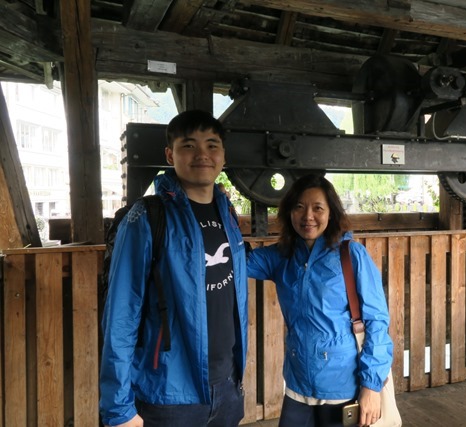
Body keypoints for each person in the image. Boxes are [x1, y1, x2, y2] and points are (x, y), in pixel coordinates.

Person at [99, 110, 248, 427]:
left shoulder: (228, 212)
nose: (202, 155)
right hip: (169, 394)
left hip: (227, 386)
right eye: (189, 145)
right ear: (170, 154)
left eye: (211, 144)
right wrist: (119, 409)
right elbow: (122, 313)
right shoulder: (147, 216)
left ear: (223, 154)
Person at [246, 174, 393, 427]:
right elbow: (234, 262)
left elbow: (377, 322)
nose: (308, 217)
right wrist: (220, 213)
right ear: (289, 212)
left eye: (317, 208)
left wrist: (371, 386)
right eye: (299, 207)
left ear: (331, 213)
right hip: (297, 386)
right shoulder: (282, 256)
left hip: (343, 388)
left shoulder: (351, 255)